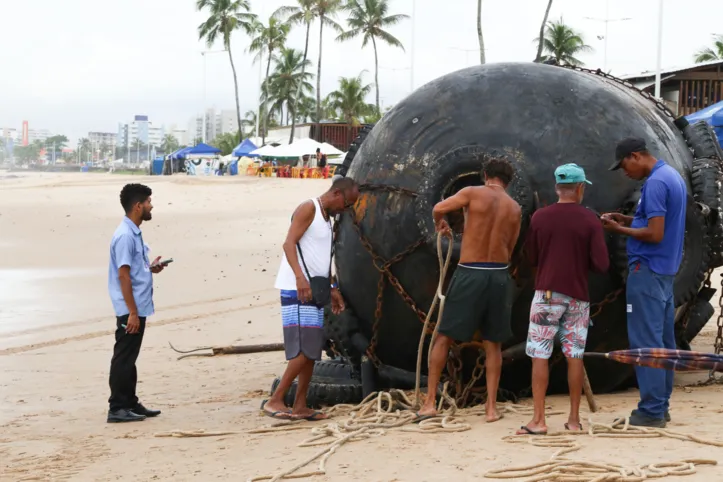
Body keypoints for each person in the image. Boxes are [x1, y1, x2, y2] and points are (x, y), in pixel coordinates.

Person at [417, 158, 522, 422]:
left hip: (471, 271)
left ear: (485, 175)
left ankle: (430, 402)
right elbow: (511, 247)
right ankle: (490, 408)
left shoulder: (472, 193)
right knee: (493, 344)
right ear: (509, 182)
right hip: (498, 275)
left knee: (443, 336)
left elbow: (438, 207)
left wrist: (441, 223)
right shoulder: (515, 208)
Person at [517, 163, 609, 435]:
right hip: (578, 297)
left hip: (546, 295)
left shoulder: (540, 218)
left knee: (540, 355)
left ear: (557, 188)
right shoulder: (590, 219)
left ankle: (539, 420)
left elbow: (531, 257)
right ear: (580, 188)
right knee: (575, 356)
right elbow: (602, 265)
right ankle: (573, 419)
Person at [602, 137, 687, 428]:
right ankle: (660, 406)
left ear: (636, 156)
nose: (624, 172)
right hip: (664, 271)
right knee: (664, 341)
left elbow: (654, 233)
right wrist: (626, 219)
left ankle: (650, 411)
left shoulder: (654, 184)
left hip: (647, 270)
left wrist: (618, 230)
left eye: (624, 165)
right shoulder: (671, 176)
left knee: (646, 343)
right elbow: (656, 224)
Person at [263, 178, 360, 420]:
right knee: (305, 349)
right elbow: (289, 244)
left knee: (313, 348)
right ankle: (276, 399)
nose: (345, 210)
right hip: (296, 288)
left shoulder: (328, 219)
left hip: (315, 289)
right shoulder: (309, 208)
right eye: (347, 204)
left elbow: (320, 258)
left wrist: (332, 287)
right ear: (337, 193)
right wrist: (299, 278)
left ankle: (300, 405)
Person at [107, 183, 167, 423]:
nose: (152, 206)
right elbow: (122, 275)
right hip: (129, 308)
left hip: (137, 306)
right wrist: (131, 312)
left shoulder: (133, 232)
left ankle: (130, 403)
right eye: (149, 202)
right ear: (137, 206)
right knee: (123, 357)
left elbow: (133, 269)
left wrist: (151, 268)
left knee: (129, 357)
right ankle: (117, 407)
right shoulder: (124, 235)